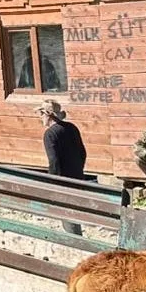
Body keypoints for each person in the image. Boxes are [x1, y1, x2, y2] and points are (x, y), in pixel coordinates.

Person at [37, 99, 87, 235]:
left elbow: (53, 160)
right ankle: (76, 237)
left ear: (47, 115)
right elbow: (83, 152)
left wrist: (53, 181)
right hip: (77, 176)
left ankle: (74, 241)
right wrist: (78, 170)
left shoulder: (50, 134)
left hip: (63, 179)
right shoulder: (72, 127)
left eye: (41, 114)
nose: (40, 117)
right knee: (74, 212)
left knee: (66, 212)